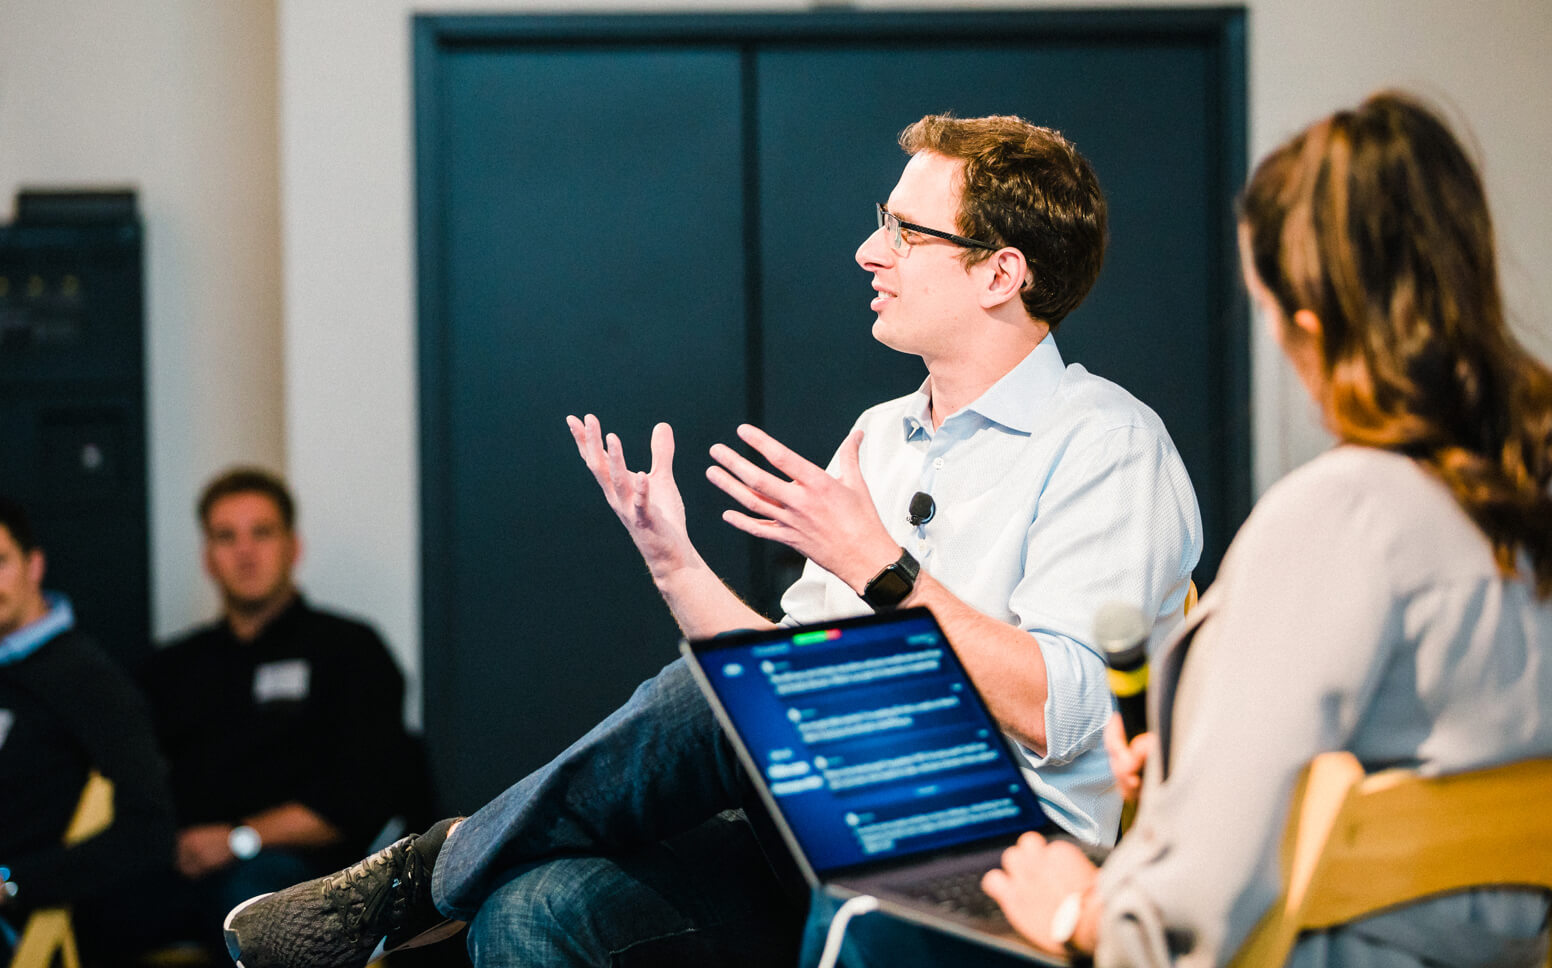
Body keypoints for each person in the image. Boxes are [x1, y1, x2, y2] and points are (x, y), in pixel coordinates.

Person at [223, 113, 1203, 968]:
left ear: (1000, 271)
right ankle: (453, 877)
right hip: (826, 823)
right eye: (882, 222)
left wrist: (882, 567)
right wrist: (674, 563)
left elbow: (1063, 709)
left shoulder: (1105, 442)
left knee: (723, 691)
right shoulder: (882, 433)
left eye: (906, 232)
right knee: (536, 909)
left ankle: (422, 876)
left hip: (1002, 861)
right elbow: (778, 678)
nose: (869, 252)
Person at [962, 92, 1552, 968]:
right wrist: (1190, 765)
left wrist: (1076, 913)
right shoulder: (1523, 491)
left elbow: (1181, 923)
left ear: (1308, 325)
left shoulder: (1341, 521)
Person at [118, 468, 414, 957]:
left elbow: (360, 798)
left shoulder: (350, 651)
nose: (245, 552)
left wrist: (239, 839)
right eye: (226, 537)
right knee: (96, 901)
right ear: (208, 558)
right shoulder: (170, 668)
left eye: (262, 532)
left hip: (314, 874)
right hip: (186, 865)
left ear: (293, 547)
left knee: (254, 904)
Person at [0, 497, 175, 961]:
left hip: (32, 918)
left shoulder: (88, 680)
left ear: (34, 565)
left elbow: (149, 831)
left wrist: (11, 882)